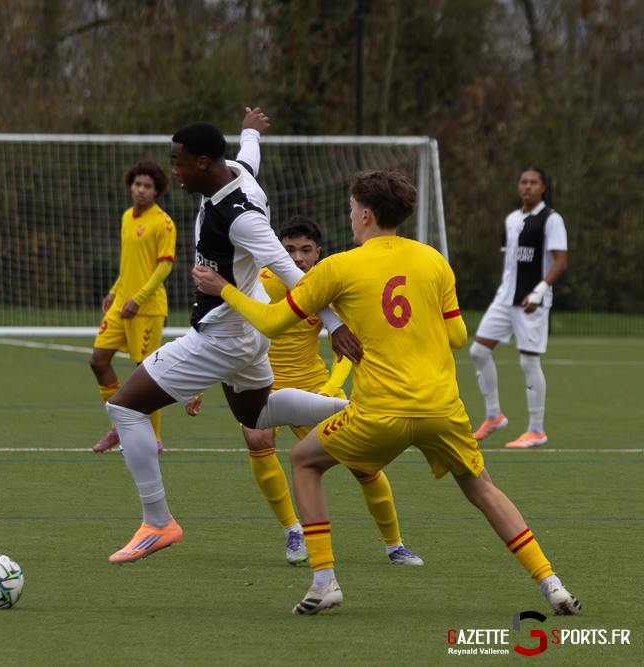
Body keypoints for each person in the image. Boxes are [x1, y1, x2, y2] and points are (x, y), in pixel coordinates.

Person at [193, 169, 580, 617]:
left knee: (303, 460)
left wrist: (223, 290)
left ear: (367, 214)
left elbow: (273, 322)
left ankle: (324, 582)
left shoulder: (338, 266)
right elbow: (457, 336)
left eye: (353, 209)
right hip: (442, 409)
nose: (351, 216)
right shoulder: (434, 260)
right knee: (483, 489)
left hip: (380, 412)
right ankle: (551, 584)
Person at [104, 108, 362, 565]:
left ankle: (158, 522)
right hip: (245, 332)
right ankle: (361, 409)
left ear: (203, 162)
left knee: (124, 406)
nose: (174, 171)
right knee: (258, 414)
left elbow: (295, 274)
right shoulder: (239, 172)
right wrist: (251, 130)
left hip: (223, 336)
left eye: (178, 162)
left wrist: (335, 324)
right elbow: (249, 155)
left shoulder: (241, 218)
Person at [187, 215, 422, 568]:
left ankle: (394, 544)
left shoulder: (329, 283)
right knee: (257, 440)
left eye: (306, 250)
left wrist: (330, 387)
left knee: (362, 461)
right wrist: (197, 381)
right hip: (260, 384)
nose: (297, 258)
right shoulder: (256, 283)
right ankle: (293, 530)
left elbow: (350, 345)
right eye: (289, 249)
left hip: (313, 385)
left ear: (318, 253)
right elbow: (216, 331)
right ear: (277, 251)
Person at [470, 167, 568, 448]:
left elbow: (560, 261)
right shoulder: (512, 218)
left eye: (533, 182)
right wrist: (502, 289)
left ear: (543, 188)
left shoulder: (552, 219)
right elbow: (510, 261)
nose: (527, 186)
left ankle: (536, 430)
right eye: (523, 182)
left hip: (531, 301)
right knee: (478, 350)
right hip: (505, 298)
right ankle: (494, 416)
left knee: (528, 361)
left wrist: (539, 291)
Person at [89, 159, 176, 454]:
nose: (141, 190)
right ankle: (121, 425)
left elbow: (163, 269)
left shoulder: (163, 223)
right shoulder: (127, 217)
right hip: (121, 303)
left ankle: (154, 438)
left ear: (157, 191)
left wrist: (138, 300)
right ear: (130, 185)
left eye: (147, 186)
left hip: (147, 308)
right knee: (98, 361)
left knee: (147, 373)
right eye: (137, 184)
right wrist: (115, 292)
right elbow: (131, 265)